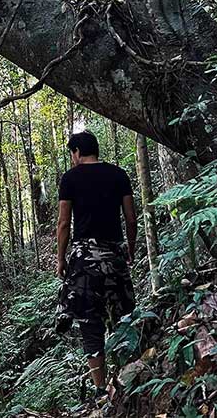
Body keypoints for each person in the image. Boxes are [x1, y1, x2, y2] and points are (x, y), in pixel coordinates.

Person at [55, 129, 137, 401]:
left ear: (77, 152)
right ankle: (130, 377)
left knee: (90, 324)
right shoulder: (118, 174)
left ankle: (102, 390)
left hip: (85, 261)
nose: (72, 159)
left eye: (72, 154)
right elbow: (131, 217)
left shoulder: (70, 178)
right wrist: (130, 250)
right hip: (114, 255)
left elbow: (64, 223)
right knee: (124, 316)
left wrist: (60, 259)